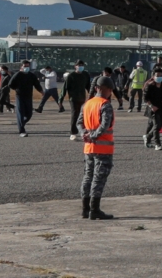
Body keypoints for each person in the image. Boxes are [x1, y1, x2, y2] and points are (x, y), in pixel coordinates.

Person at [77, 75, 116, 220]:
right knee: (98, 180)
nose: (109, 91)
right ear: (101, 88)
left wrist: (84, 134)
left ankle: (85, 209)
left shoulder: (87, 104)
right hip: (103, 149)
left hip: (89, 148)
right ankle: (94, 209)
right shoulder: (105, 105)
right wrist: (93, 135)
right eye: (108, 89)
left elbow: (79, 123)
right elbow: (105, 126)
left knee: (88, 177)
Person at [7, 60, 43, 137]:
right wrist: (17, 89)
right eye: (25, 66)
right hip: (20, 96)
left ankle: (21, 123)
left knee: (29, 114)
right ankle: (21, 131)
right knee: (20, 113)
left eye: (27, 66)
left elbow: (36, 84)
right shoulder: (18, 75)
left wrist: (41, 91)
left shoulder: (31, 75)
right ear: (21, 67)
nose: (26, 67)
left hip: (28, 96)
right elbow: (10, 84)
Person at [60, 60, 91, 139]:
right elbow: (64, 88)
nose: (80, 66)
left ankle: (83, 131)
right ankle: (73, 132)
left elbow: (89, 86)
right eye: (79, 65)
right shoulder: (71, 76)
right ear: (75, 66)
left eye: (82, 65)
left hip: (82, 98)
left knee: (83, 115)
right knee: (75, 114)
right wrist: (60, 100)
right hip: (73, 98)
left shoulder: (85, 75)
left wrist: (92, 96)